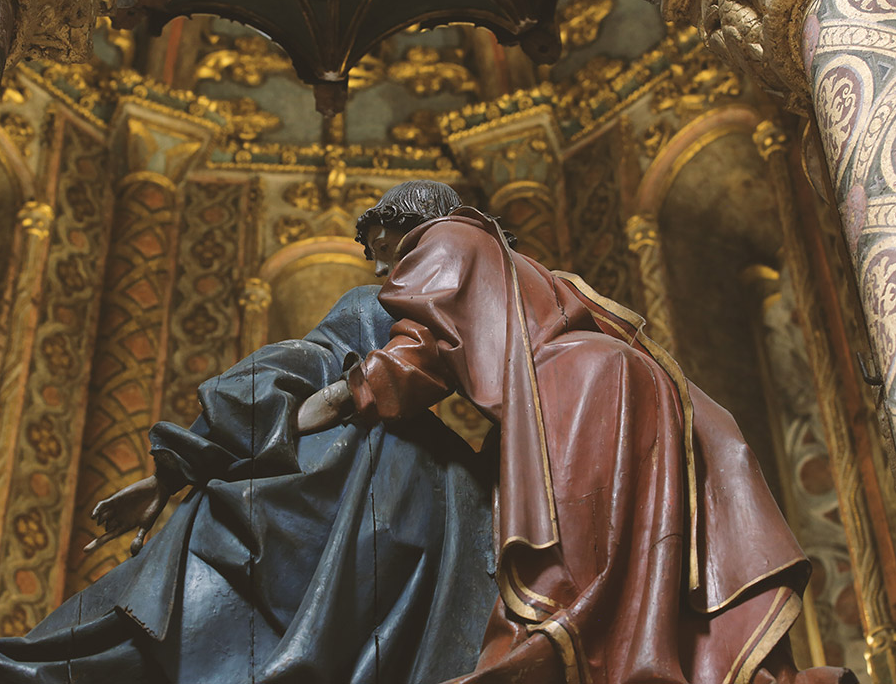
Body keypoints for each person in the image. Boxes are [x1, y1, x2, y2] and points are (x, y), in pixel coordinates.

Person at [297, 180, 856, 684]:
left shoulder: (442, 241)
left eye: (383, 246)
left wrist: (333, 400)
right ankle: (660, 660)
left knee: (574, 563)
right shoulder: (515, 262)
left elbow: (421, 347)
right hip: (626, 379)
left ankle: (579, 663)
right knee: (646, 544)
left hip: (575, 393)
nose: (382, 269)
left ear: (412, 221)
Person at [0, 284, 498, 683]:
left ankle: (50, 666)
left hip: (359, 480)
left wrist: (173, 472)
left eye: (380, 244)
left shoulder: (378, 307)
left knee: (217, 527)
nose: (374, 258)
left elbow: (287, 373)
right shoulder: (466, 476)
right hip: (420, 506)